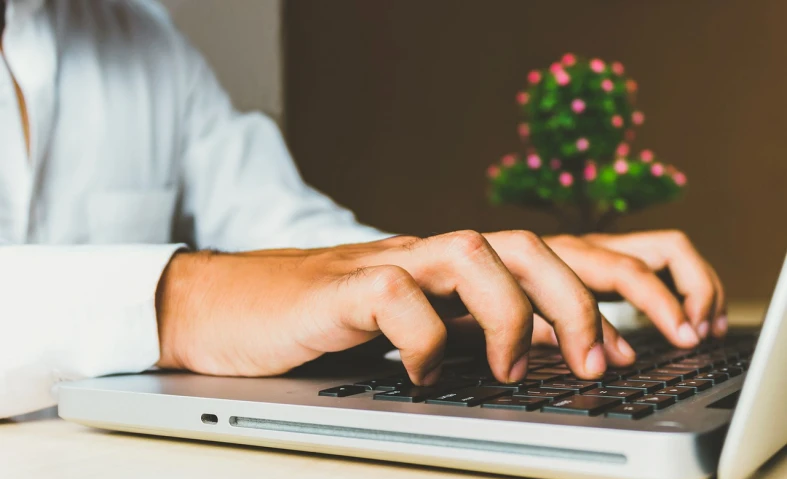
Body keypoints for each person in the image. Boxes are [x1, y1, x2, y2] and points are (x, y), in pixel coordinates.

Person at [0, 0, 726, 419]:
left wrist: (456, 273)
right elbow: (229, 286)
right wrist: (179, 299)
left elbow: (288, 239)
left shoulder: (146, 38)